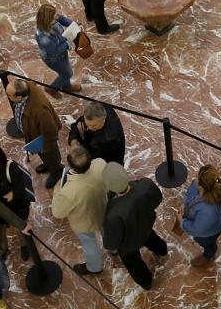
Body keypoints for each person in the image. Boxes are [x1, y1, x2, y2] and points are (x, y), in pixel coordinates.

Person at [102, 162, 168, 290]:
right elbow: (157, 199)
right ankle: (162, 250)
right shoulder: (145, 185)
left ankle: (146, 282)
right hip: (146, 227)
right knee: (153, 239)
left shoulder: (112, 213)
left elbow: (112, 243)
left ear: (109, 187)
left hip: (128, 246)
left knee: (134, 265)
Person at [51, 146, 109, 275]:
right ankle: (113, 247)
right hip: (103, 208)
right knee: (107, 230)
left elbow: (57, 213)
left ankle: (94, 268)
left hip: (83, 221)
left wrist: (57, 190)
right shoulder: (101, 163)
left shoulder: (68, 191)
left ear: (71, 167)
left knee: (89, 242)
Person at [182, 165, 221, 268]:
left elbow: (198, 230)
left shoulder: (209, 210)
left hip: (208, 234)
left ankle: (208, 255)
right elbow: (189, 194)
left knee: (208, 244)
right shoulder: (199, 184)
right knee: (201, 240)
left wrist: (183, 222)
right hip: (204, 223)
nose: (195, 180)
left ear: (201, 185)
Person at [35, 3, 81, 93]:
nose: (57, 17)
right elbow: (55, 51)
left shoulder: (52, 18)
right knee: (67, 73)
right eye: (55, 17)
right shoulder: (43, 37)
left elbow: (62, 19)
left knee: (65, 70)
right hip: (53, 59)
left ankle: (66, 86)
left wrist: (73, 25)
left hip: (61, 52)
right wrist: (69, 42)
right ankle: (52, 89)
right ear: (48, 20)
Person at [68, 100, 125, 166]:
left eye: (93, 125)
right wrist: (74, 142)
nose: (89, 128)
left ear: (103, 120)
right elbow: (76, 126)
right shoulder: (94, 113)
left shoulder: (110, 138)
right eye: (87, 125)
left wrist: (83, 137)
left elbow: (94, 157)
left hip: (109, 160)